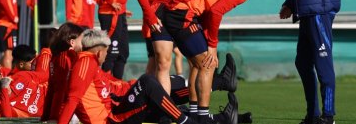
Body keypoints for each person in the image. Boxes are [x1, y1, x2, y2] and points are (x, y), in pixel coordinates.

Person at [163, 0, 278, 124]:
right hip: (181, 13)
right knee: (207, 64)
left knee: (198, 64)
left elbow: (208, 7)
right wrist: (212, 45)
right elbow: (216, 11)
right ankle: (203, 117)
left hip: (179, 11)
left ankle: (196, 114)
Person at [58, 29, 238, 124]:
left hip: (117, 108)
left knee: (165, 98)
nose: (106, 55)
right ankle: (191, 117)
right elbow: (72, 98)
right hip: (113, 120)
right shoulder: (85, 63)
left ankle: (224, 118)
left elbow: (104, 89)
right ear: (99, 53)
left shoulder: (89, 64)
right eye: (105, 52)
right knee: (150, 83)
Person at [0, 45, 49, 118]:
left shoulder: (20, 76)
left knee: (46, 52)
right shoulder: (5, 103)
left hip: (54, 93)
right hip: (52, 109)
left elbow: (46, 75)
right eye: (31, 63)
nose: (33, 65)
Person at [41, 22, 84, 121]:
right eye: (82, 40)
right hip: (65, 113)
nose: (84, 43)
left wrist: (46, 116)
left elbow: (52, 90)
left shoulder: (57, 57)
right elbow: (63, 89)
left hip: (59, 112)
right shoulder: (67, 57)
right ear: (72, 42)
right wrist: (59, 117)